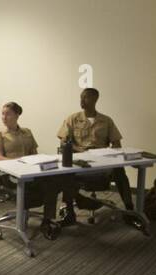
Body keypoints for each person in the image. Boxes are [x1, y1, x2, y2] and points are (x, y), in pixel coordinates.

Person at [56, 87, 136, 225]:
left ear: (95, 99)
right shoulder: (73, 119)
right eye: (81, 97)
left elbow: (116, 143)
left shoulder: (106, 120)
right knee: (65, 174)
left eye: (85, 97)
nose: (81, 100)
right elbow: (64, 142)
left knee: (119, 171)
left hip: (101, 162)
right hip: (80, 161)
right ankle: (70, 213)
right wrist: (79, 152)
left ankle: (129, 210)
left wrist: (110, 154)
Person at [0, 102, 65, 240]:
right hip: (12, 173)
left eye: (8, 113)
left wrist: (37, 162)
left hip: (31, 170)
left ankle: (47, 220)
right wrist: (20, 161)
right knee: (40, 186)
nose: (4, 117)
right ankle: (27, 216)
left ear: (17, 115)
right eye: (2, 113)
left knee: (53, 181)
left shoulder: (27, 132)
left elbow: (34, 153)